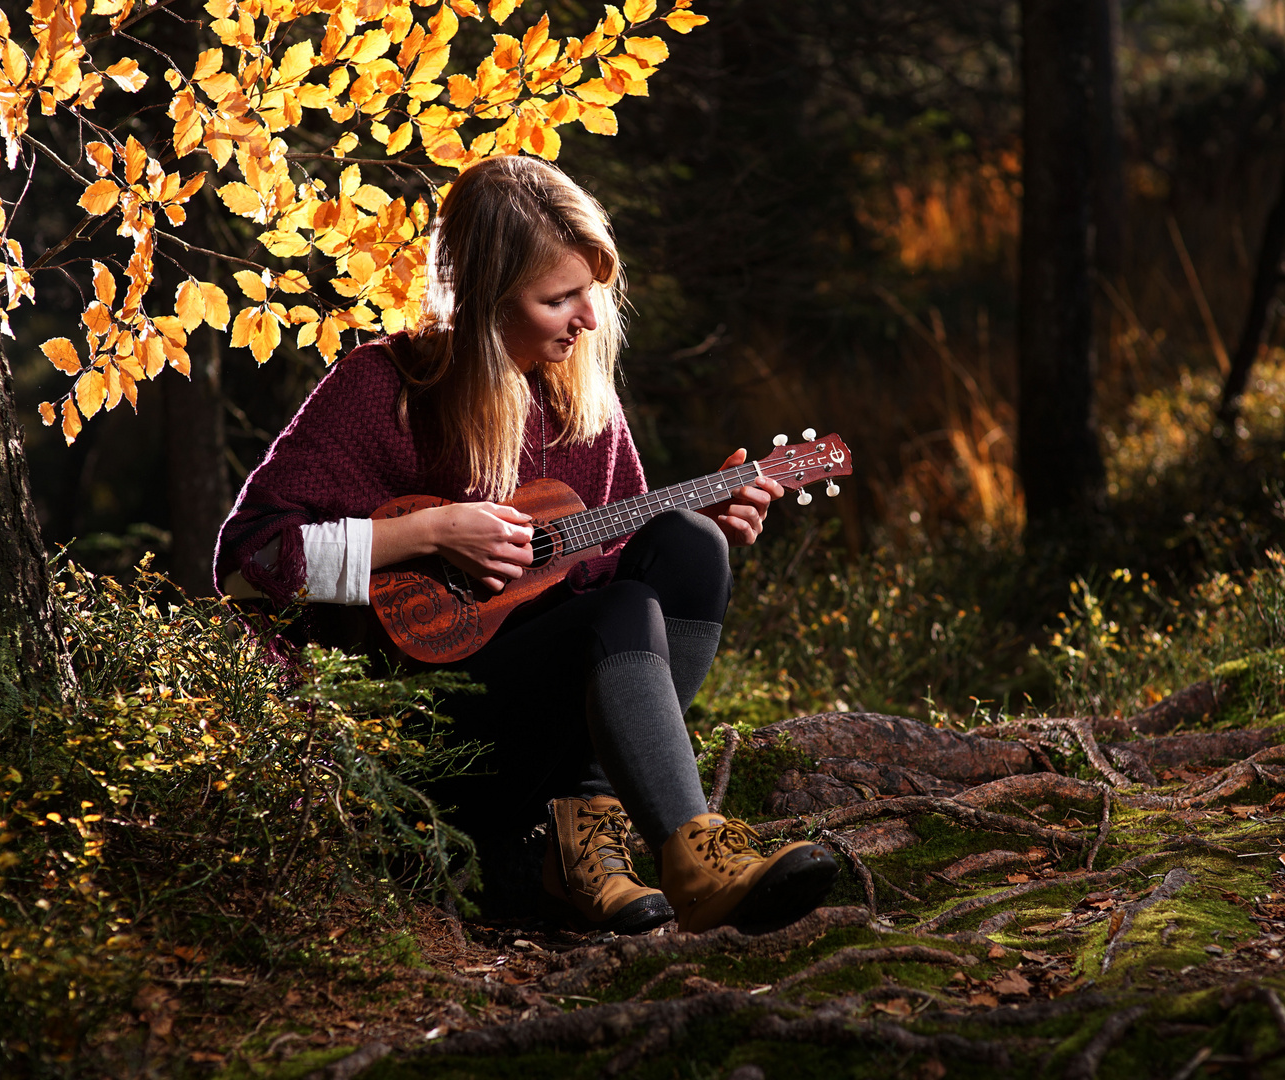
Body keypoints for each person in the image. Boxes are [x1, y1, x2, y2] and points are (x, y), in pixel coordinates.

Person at [215, 155, 837, 935]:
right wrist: (430, 531)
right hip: (428, 731)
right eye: (558, 298)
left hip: (538, 718)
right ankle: (663, 853)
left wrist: (713, 509)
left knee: (687, 545)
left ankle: (603, 842)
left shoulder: (583, 404)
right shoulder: (384, 388)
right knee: (624, 607)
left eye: (591, 292)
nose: (585, 319)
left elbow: (607, 573)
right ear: (484, 299)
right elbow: (247, 562)